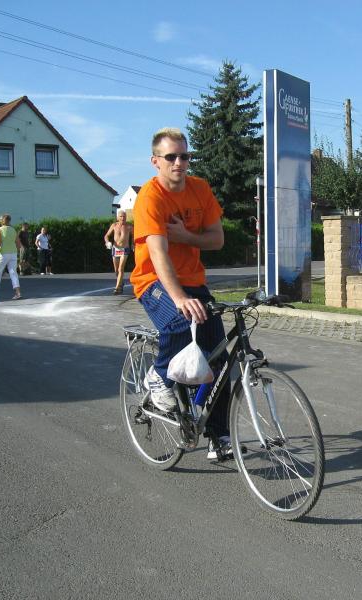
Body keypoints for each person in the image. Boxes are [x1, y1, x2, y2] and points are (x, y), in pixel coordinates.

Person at [129, 127, 230, 460]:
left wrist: (185, 236)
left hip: (193, 281)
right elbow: (158, 255)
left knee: (218, 358)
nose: (178, 163)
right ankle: (158, 378)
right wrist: (179, 298)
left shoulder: (200, 189)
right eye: (170, 157)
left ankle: (219, 436)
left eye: (184, 156)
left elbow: (217, 240)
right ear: (155, 161)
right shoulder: (150, 196)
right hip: (153, 281)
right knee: (178, 322)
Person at [104, 209, 134, 295]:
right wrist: (107, 242)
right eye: (121, 216)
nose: (123, 218)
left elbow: (134, 235)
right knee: (116, 270)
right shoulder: (114, 225)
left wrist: (133, 244)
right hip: (115, 249)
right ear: (117, 217)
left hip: (125, 249)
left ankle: (117, 288)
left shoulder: (129, 226)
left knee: (121, 268)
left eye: (124, 216)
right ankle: (120, 282)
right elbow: (106, 236)